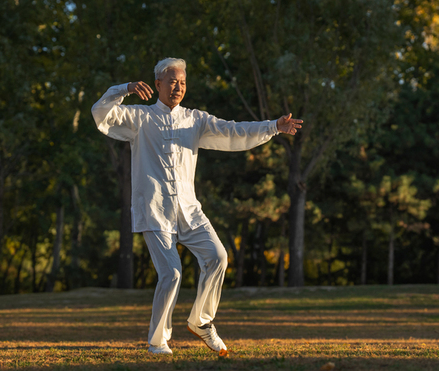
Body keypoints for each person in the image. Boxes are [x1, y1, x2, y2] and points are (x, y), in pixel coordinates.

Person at [91, 57, 302, 356]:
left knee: (218, 257)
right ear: (158, 84)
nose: (178, 88)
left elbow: (233, 131)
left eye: (183, 82)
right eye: (172, 81)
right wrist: (123, 89)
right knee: (172, 274)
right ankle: (157, 341)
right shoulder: (140, 118)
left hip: (189, 210)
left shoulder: (195, 119)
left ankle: (201, 322)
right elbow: (100, 113)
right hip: (154, 210)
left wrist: (273, 127)